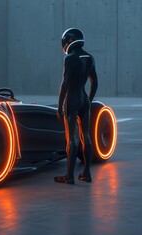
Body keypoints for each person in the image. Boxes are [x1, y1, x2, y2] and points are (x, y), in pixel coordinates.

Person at [54, 28, 98, 184]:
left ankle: (69, 176)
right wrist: (89, 101)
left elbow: (65, 84)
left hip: (72, 99)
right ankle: (87, 173)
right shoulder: (90, 57)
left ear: (69, 41)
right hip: (84, 98)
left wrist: (59, 107)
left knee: (71, 139)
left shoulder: (69, 59)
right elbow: (95, 83)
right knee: (86, 136)